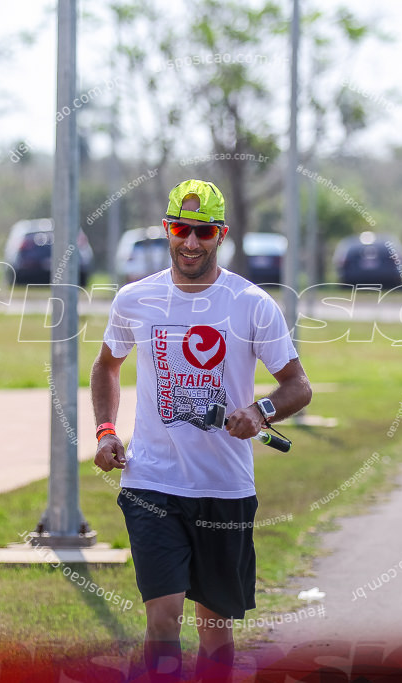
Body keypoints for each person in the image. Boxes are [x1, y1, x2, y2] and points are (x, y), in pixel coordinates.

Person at [92, 179, 312, 681]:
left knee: (214, 626)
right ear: (167, 229)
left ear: (221, 235)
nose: (190, 242)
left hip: (224, 487)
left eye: (203, 231)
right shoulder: (135, 299)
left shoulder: (251, 303)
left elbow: (297, 386)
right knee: (163, 620)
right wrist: (107, 430)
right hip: (152, 483)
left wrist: (260, 413)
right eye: (180, 229)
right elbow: (106, 367)